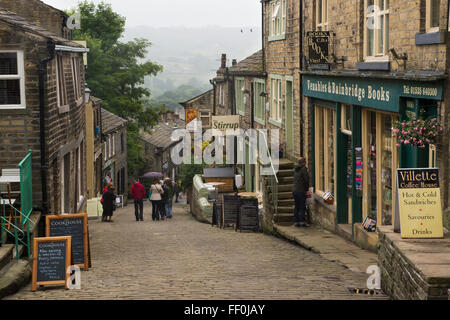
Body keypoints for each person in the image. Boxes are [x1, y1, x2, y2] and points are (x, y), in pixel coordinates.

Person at [293, 157, 310, 228]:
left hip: (294, 191)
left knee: (296, 206)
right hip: (301, 191)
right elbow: (306, 180)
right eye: (305, 161)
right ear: (303, 162)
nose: (305, 162)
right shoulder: (303, 169)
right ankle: (302, 222)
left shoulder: (296, 169)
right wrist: (307, 189)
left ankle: (296, 222)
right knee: (302, 206)